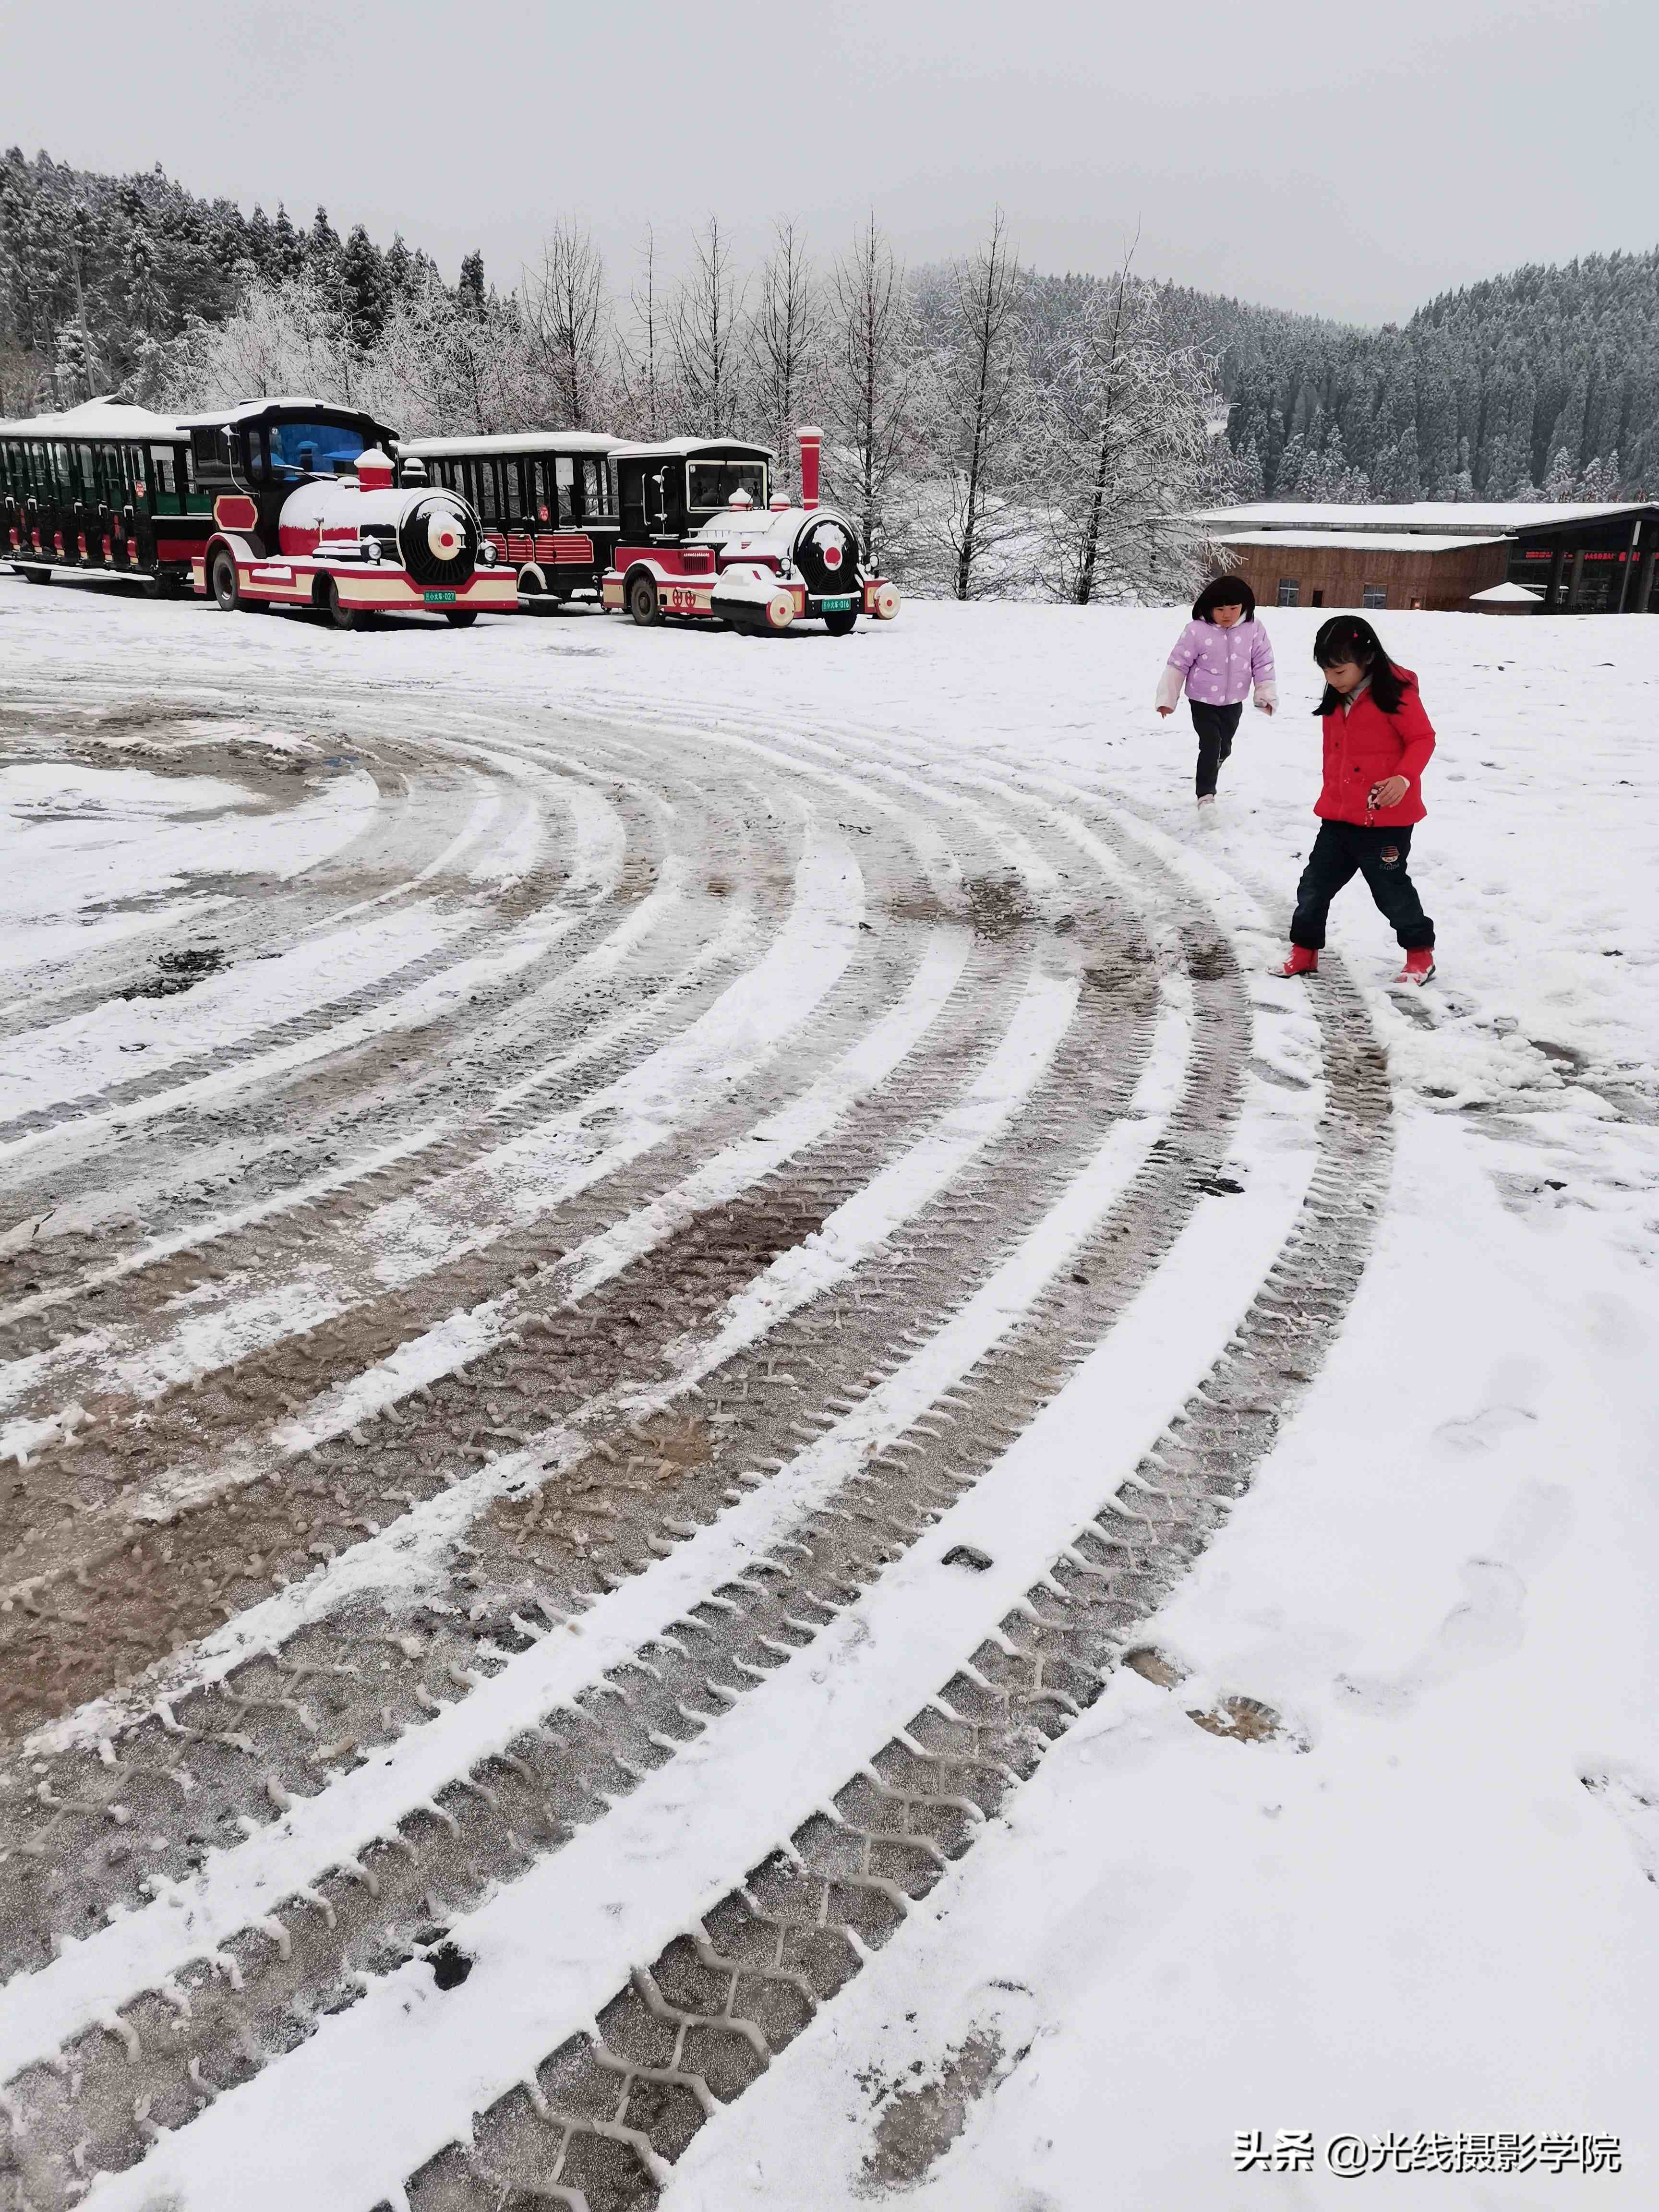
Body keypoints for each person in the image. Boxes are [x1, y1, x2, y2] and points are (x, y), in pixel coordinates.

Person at [1276, 615, 1437, 986]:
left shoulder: (1396, 694)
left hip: (1386, 820)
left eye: (1339, 670)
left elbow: (1422, 739)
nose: (1332, 679)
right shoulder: (1337, 696)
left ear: (1367, 658)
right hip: (1338, 815)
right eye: (1326, 671)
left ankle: (1419, 955)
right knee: (1314, 885)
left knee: (1390, 891)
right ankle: (1304, 951)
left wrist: (1404, 777)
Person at [1155, 576, 1277, 806]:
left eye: (1233, 608)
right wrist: (1167, 699)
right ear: (1209, 608)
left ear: (1245, 607)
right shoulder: (1196, 631)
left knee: (1225, 747)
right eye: (1220, 609)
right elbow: (1177, 665)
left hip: (1234, 702)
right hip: (1202, 700)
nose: (1227, 614)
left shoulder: (1253, 629)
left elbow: (1263, 663)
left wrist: (1266, 695)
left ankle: (1216, 761)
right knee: (1210, 744)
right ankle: (1206, 795)